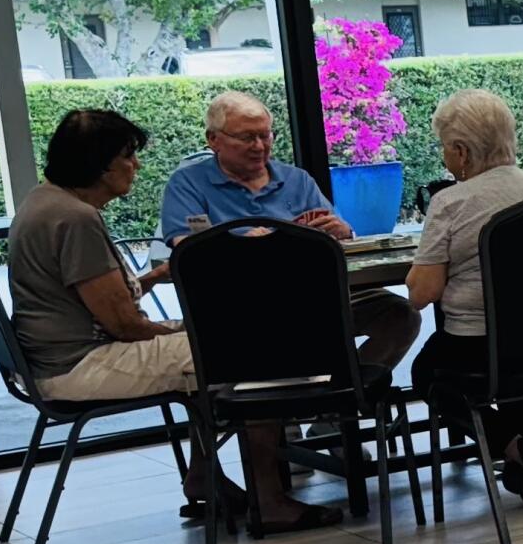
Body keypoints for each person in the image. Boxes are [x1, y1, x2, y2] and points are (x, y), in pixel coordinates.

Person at [4, 107, 323, 531]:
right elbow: (126, 326)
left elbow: (97, 298)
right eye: (128, 156)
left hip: (55, 358)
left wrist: (154, 277)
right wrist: (188, 331)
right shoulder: (75, 219)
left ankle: (204, 473)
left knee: (226, 345)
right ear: (99, 164)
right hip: (82, 363)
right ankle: (271, 501)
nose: (135, 165)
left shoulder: (42, 202)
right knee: (258, 351)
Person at [158, 90, 418, 373]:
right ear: (213, 140)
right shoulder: (188, 184)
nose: (259, 146)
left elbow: (335, 235)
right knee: (265, 354)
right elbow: (188, 250)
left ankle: (340, 396)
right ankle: (283, 408)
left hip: (318, 298)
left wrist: (343, 230)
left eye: (266, 135)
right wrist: (243, 245)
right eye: (247, 137)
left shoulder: (296, 179)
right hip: (239, 309)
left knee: (401, 315)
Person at [406, 89, 523, 509]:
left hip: (475, 343)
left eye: (444, 147)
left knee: (427, 373)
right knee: (519, 367)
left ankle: (508, 444)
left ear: (460, 152)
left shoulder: (450, 202)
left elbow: (423, 295)